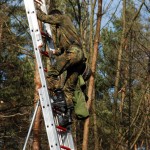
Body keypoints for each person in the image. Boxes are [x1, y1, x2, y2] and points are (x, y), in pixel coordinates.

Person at [36, 7, 91, 127]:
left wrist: (35, 10)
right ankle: (67, 115)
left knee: (52, 72)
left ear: (56, 16)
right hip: (79, 58)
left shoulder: (62, 18)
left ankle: (59, 98)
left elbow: (44, 18)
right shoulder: (65, 28)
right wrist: (55, 52)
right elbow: (63, 48)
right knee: (68, 89)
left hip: (74, 53)